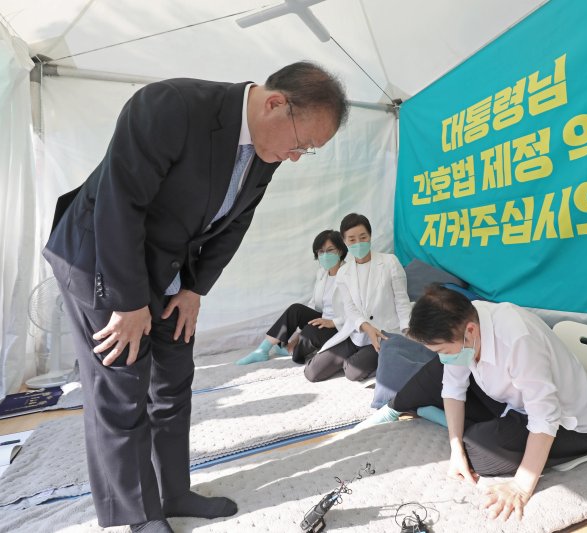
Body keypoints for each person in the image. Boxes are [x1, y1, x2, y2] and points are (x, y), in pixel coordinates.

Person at [42, 62, 348, 533]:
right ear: (274, 103)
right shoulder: (170, 106)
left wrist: (193, 289)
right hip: (102, 257)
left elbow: (236, 222)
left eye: (308, 150)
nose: (297, 157)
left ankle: (175, 491)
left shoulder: (266, 151)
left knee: (173, 379)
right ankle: (139, 514)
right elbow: (119, 204)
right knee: (122, 387)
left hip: (168, 268)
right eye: (302, 143)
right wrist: (127, 303)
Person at [373, 285, 587, 522]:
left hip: (570, 425)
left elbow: (545, 418)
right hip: (513, 402)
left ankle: (444, 420)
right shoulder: (466, 321)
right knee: (438, 371)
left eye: (442, 349)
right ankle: (394, 407)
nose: (443, 355)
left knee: (481, 452)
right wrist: (455, 450)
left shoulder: (518, 341)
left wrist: (520, 488)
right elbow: (453, 387)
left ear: (470, 331)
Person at [304, 213, 411, 382]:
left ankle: (381, 358)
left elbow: (402, 300)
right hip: (357, 332)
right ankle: (364, 357)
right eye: (352, 239)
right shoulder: (344, 272)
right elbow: (350, 308)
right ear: (345, 242)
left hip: (385, 333)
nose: (358, 243)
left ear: (370, 237)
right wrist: (365, 326)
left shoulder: (390, 262)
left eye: (363, 237)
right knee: (312, 372)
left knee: (352, 372)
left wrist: (406, 332)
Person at [237, 229, 347, 365]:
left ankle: (292, 350)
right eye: (321, 252)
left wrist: (333, 322)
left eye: (330, 250)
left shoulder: (350, 275)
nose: (325, 255)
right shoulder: (322, 274)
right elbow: (314, 306)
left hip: (338, 326)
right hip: (322, 319)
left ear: (340, 251)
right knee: (296, 309)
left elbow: (356, 311)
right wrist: (296, 336)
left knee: (310, 332)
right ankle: (262, 350)